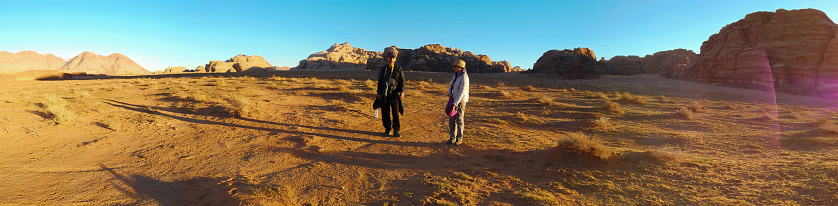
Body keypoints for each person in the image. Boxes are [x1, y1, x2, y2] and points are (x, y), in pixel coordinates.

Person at [376, 47, 405, 137]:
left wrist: (402, 91)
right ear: (387, 58)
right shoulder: (383, 69)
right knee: (385, 111)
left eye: (393, 58)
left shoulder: (398, 68)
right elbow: (380, 81)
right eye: (390, 57)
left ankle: (396, 130)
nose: (391, 59)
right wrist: (379, 93)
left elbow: (402, 80)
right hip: (385, 93)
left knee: (395, 112)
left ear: (395, 59)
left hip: (394, 93)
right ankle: (387, 129)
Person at [447, 59, 469, 145]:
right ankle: (452, 138)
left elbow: (462, 91)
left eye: (455, 66)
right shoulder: (456, 75)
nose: (454, 68)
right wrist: (449, 92)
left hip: (460, 102)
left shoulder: (464, 77)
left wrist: (455, 103)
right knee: (451, 120)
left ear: (460, 67)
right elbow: (451, 85)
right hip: (453, 100)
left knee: (459, 120)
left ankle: (459, 139)